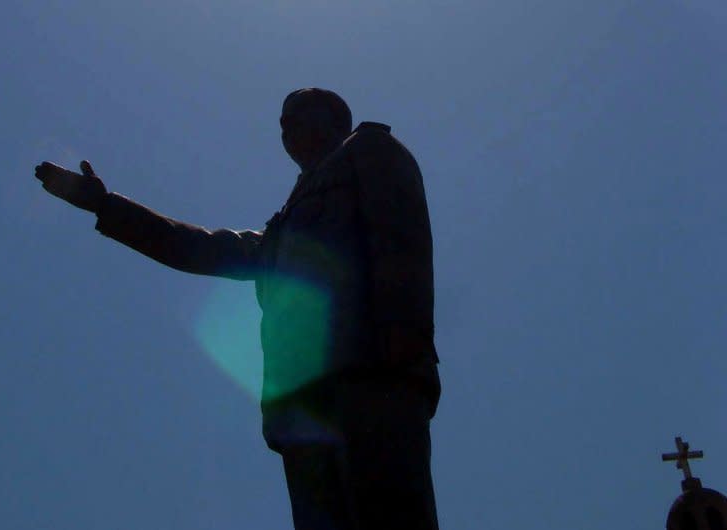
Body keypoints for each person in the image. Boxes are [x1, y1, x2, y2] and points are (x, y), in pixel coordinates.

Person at [35, 88, 440, 530]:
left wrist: (403, 341)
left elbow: (403, 240)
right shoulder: (281, 228)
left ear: (335, 117)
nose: (286, 128)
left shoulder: (371, 148)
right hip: (300, 406)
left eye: (297, 115)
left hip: (371, 372)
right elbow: (198, 247)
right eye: (282, 122)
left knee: (390, 515)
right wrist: (105, 205)